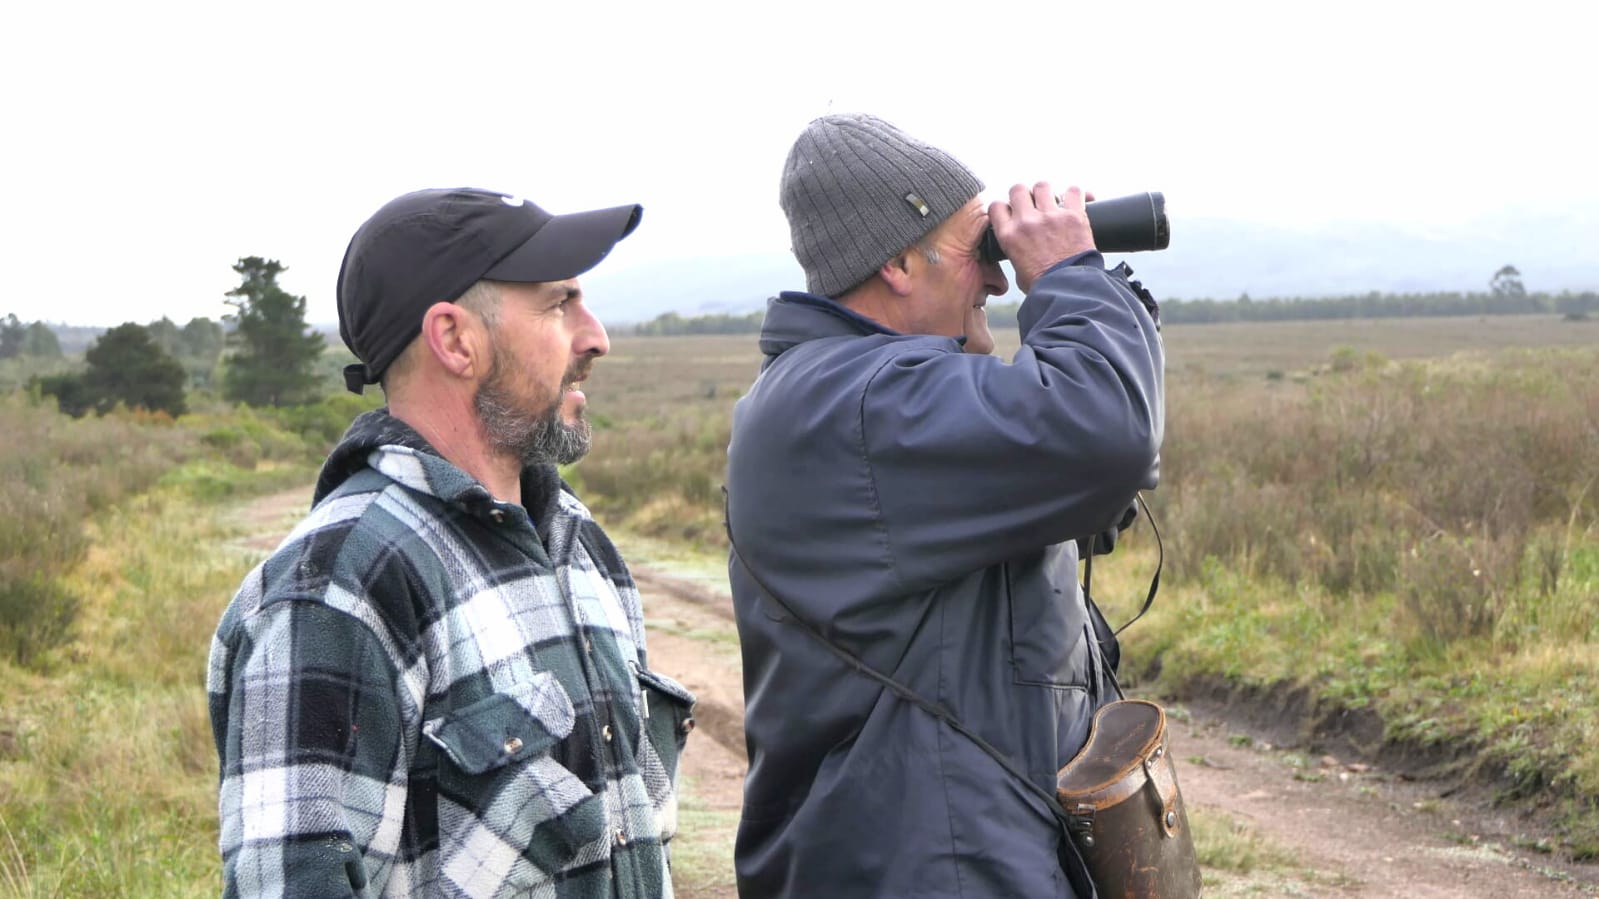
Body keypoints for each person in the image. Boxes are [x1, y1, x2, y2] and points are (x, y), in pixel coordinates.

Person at [207, 187, 696, 899]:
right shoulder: (336, 588)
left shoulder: (581, 543)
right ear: (455, 339)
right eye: (560, 305)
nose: (596, 337)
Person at [724, 114, 1165, 897]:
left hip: (943, 854)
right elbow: (1103, 437)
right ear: (897, 262)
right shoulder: (862, 401)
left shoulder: (853, 390)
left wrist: (1092, 297)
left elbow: (1086, 468)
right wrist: (1068, 277)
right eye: (980, 250)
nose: (998, 280)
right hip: (927, 866)